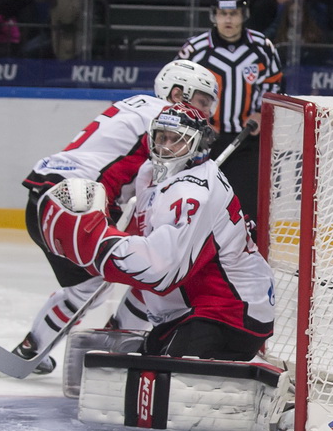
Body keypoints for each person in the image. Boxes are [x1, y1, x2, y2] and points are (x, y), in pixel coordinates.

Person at [6, 60, 220, 375]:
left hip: (46, 197)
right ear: (177, 92)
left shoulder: (136, 107)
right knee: (153, 270)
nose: (206, 113)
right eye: (201, 101)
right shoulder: (165, 120)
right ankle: (112, 347)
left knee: (89, 286)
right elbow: (158, 185)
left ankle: (32, 348)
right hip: (78, 202)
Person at [36, 104, 276, 361]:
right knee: (133, 379)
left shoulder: (194, 193)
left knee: (162, 387)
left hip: (228, 313)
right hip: (187, 309)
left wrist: (94, 241)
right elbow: (146, 238)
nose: (166, 147)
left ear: (196, 144)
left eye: (177, 140)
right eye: (161, 138)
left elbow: (159, 271)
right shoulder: (149, 175)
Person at [176, 0, 285, 233]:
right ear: (214, 15)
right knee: (201, 202)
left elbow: (275, 87)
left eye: (234, 13)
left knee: (247, 205)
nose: (228, 19)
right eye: (223, 13)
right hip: (203, 143)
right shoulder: (195, 50)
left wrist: (263, 112)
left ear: (243, 15)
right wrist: (196, 121)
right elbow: (176, 93)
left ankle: (248, 254)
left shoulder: (263, 48)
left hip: (247, 142)